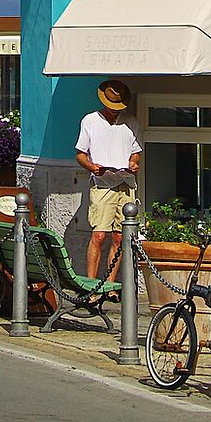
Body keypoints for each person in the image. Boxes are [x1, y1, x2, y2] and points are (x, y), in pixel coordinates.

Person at [75, 79, 141, 281]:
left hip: (125, 182)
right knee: (99, 235)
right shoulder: (90, 121)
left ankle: (110, 283)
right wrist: (93, 167)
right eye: (112, 106)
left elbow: (136, 152)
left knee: (119, 237)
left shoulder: (131, 122)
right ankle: (92, 285)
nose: (115, 110)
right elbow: (80, 154)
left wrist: (133, 163)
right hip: (102, 184)